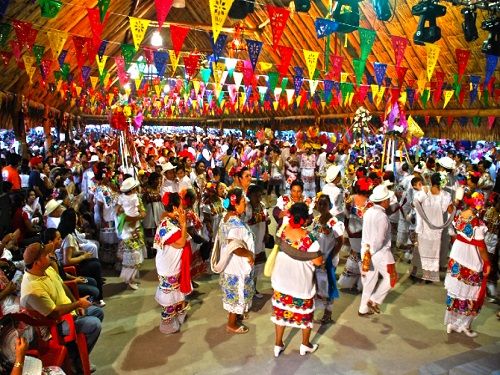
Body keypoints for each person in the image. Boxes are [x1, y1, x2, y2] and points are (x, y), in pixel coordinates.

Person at [20, 242, 104, 372]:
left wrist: (76, 304)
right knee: (94, 324)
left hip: (68, 313)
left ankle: (76, 357)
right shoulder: (33, 289)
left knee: (98, 312)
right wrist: (77, 304)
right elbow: (54, 313)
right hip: (54, 325)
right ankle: (75, 359)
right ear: (37, 262)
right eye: (46, 255)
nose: (50, 256)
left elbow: (63, 286)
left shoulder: (47, 269)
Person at [271, 202, 323, 357]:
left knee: (281, 314)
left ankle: (278, 344)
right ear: (305, 219)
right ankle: (305, 345)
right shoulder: (310, 240)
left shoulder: (282, 232)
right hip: (301, 284)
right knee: (305, 316)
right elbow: (318, 262)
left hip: (281, 281)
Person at [445, 192, 490, 337]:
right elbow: (481, 247)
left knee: (456, 292)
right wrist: (487, 262)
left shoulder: (459, 216)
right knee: (470, 294)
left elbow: (449, 209)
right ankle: (463, 325)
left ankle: (451, 323)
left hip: (456, 257)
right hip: (470, 261)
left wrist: (457, 200)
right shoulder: (477, 223)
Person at [212, 188, 255, 334]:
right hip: (236, 265)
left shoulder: (226, 217)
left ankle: (235, 316)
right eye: (243, 202)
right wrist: (248, 253)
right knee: (237, 292)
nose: (246, 204)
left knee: (235, 292)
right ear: (235, 205)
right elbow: (234, 246)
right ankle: (231, 324)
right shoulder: (235, 224)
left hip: (230, 264)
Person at [153, 192, 192, 334]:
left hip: (172, 264)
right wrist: (183, 224)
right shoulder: (167, 226)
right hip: (168, 267)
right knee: (169, 297)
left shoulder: (171, 221)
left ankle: (176, 317)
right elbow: (181, 242)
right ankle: (167, 324)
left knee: (176, 293)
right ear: (175, 207)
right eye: (182, 206)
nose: (184, 209)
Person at [358, 185, 397, 316]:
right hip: (380, 253)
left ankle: (363, 308)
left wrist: (368, 252)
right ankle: (374, 300)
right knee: (391, 277)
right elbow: (380, 239)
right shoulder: (382, 217)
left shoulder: (369, 211)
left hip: (366, 249)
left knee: (369, 281)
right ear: (384, 201)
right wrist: (372, 252)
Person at [413, 172, 455, 282]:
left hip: (424, 227)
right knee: (434, 251)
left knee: (422, 250)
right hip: (437, 227)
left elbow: (415, 204)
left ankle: (420, 273)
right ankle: (429, 276)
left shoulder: (424, 191)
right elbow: (450, 210)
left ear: (431, 181)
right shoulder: (445, 195)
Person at [57, 209, 104, 304]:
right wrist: (84, 256)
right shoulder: (68, 237)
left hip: (71, 264)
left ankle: (97, 294)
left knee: (95, 261)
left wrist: (80, 253)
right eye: (76, 218)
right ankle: (98, 297)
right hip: (69, 268)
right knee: (95, 266)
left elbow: (70, 253)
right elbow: (67, 261)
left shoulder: (66, 232)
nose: (78, 219)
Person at [311, 194, 345, 324]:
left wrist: (330, 257)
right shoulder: (316, 220)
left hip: (329, 260)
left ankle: (328, 314)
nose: (321, 206)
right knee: (317, 285)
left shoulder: (334, 222)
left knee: (329, 286)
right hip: (317, 258)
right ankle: (313, 310)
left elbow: (340, 241)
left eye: (324, 204)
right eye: (320, 204)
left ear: (329, 205)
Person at [338, 177, 373, 292]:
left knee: (356, 257)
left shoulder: (351, 199)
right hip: (363, 234)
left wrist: (347, 230)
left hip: (352, 232)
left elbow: (346, 215)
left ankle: (354, 283)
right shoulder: (370, 203)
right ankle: (361, 284)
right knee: (361, 258)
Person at [116, 178, 146, 290]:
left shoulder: (123, 197)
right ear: (132, 189)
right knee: (134, 253)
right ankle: (129, 278)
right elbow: (140, 212)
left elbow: (118, 210)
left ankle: (130, 278)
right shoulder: (134, 197)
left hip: (131, 227)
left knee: (135, 253)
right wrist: (131, 217)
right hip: (129, 227)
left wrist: (127, 216)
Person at [244, 184, 270, 298]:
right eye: (256, 195)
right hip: (250, 240)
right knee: (249, 266)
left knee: (257, 266)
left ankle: (254, 289)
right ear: (250, 195)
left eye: (259, 195)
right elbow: (244, 223)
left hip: (260, 239)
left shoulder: (263, 206)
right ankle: (246, 290)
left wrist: (267, 232)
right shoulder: (246, 208)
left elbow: (265, 221)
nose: (258, 197)